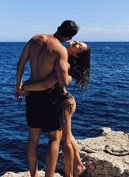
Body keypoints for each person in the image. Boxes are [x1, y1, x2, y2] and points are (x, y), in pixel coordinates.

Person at [15, 20, 79, 177]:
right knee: (53, 139)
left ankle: (33, 175)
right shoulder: (60, 50)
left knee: (33, 138)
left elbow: (21, 63)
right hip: (50, 97)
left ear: (58, 28)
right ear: (69, 37)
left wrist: (18, 86)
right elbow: (63, 81)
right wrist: (71, 75)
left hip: (32, 95)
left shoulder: (35, 39)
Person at [22, 40, 91, 177]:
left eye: (79, 46)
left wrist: (25, 87)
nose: (76, 42)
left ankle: (71, 173)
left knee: (65, 141)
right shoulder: (62, 57)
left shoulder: (67, 64)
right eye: (79, 42)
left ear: (76, 55)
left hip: (65, 102)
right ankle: (78, 166)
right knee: (68, 138)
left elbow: (48, 83)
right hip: (63, 100)